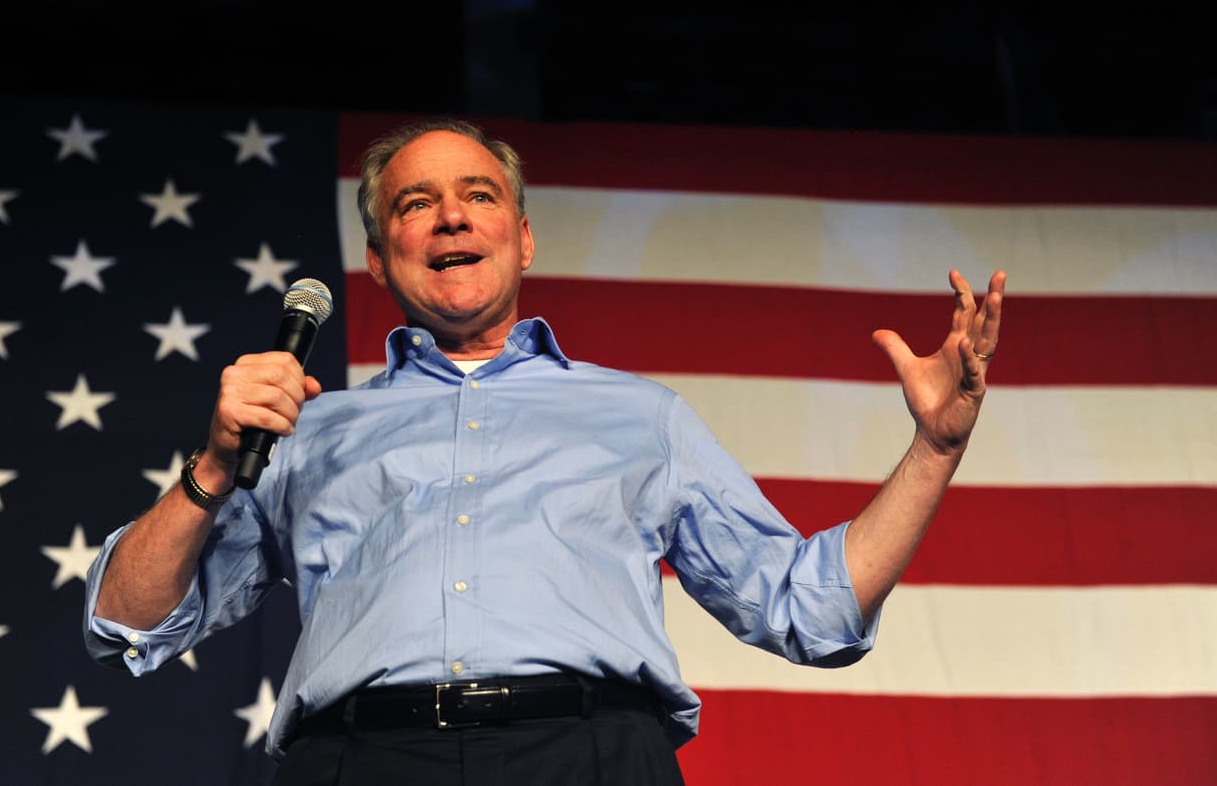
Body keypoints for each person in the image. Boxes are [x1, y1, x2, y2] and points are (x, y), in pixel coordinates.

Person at [84, 118, 1006, 785]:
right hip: (360, 761)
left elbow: (806, 611)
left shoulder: (643, 416)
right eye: (417, 203)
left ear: (521, 237)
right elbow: (126, 622)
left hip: (592, 757)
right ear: (377, 257)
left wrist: (932, 449)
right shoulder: (305, 431)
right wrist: (211, 468)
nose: (450, 218)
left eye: (477, 196)